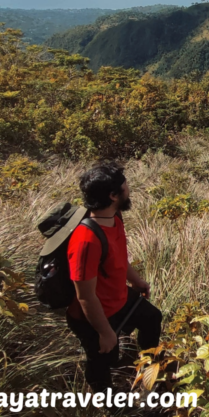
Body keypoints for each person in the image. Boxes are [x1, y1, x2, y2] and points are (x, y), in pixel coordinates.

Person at [66, 161, 162, 392]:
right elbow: (86, 297)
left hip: (118, 298)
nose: (129, 190)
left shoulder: (114, 217)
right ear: (112, 195)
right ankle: (110, 407)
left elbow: (118, 257)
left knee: (152, 318)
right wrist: (105, 332)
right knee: (102, 361)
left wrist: (136, 281)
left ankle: (147, 372)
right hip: (94, 315)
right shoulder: (86, 240)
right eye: (125, 187)